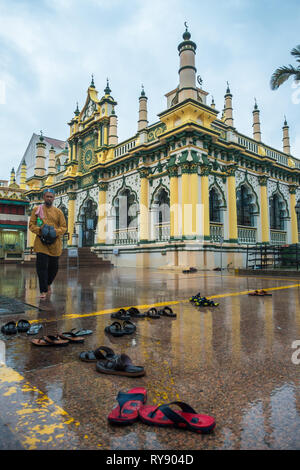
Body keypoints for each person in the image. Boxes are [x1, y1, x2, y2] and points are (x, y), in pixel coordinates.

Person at [29, 189, 67, 299]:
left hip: (55, 243)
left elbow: (64, 227)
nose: (49, 198)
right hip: (41, 243)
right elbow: (31, 225)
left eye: (51, 197)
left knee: (54, 268)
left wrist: (55, 232)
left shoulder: (58, 212)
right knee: (41, 268)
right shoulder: (37, 210)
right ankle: (43, 291)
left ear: (54, 198)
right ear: (43, 197)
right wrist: (40, 230)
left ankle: (48, 283)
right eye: (47, 196)